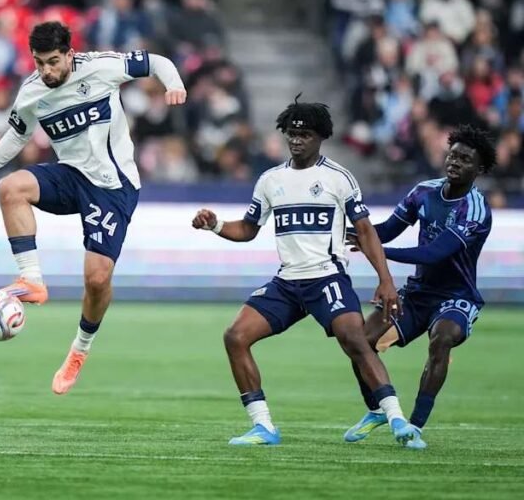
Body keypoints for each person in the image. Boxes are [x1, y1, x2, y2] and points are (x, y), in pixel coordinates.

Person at [0, 21, 187, 395]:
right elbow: (16, 136)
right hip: (71, 177)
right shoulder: (32, 91)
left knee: (96, 280)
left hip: (114, 186)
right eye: (38, 62)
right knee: (10, 187)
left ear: (69, 55)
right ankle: (31, 279)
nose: (45, 70)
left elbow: (157, 61)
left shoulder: (102, 67)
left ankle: (79, 350)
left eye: (52, 62)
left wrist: (173, 84)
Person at [190, 98, 421, 448]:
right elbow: (249, 228)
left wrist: (386, 279)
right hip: (287, 282)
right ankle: (263, 427)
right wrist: (216, 224)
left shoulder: (338, 178)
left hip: (327, 277)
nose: (297, 140)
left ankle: (396, 418)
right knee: (235, 336)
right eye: (292, 134)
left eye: (305, 134)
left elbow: (366, 230)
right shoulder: (270, 180)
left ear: (321, 137)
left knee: (355, 341)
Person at [343, 125, 495, 449]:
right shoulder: (423, 191)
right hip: (418, 293)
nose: (454, 162)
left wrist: (377, 251)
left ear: (479, 169)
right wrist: (355, 231)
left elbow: (434, 253)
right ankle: (377, 410)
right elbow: (386, 230)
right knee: (359, 340)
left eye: (465, 159)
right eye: (452, 155)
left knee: (441, 340)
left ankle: (415, 426)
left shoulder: (476, 209)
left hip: (456, 297)